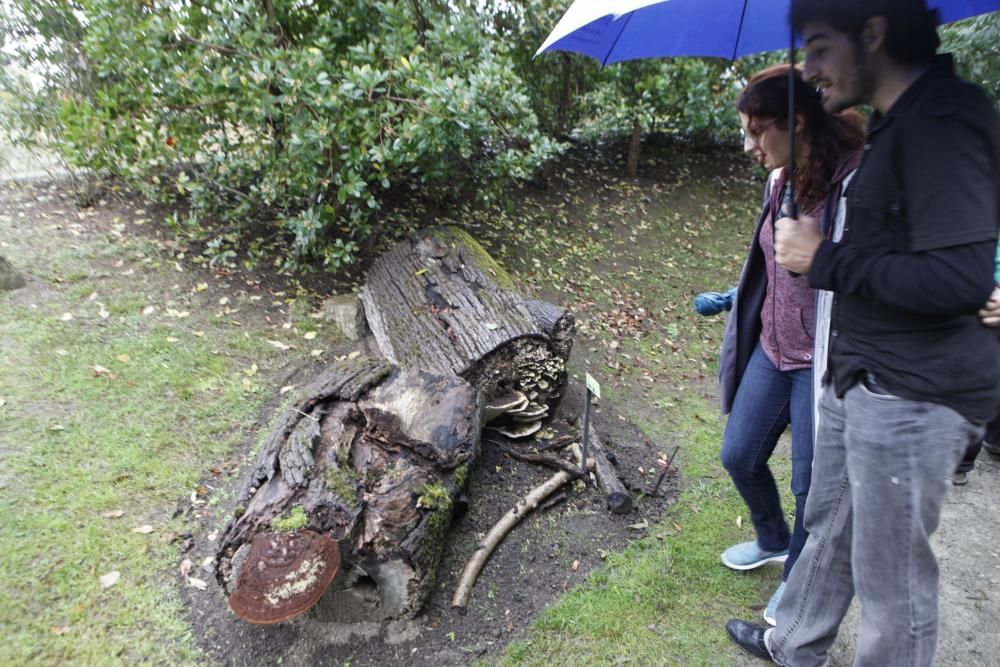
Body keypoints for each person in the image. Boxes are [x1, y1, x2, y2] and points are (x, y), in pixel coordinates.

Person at [725, 0, 1000, 665]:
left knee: (892, 591)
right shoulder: (896, 126)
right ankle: (794, 642)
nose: (811, 69)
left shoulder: (941, 120)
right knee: (827, 526)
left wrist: (823, 258)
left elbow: (960, 279)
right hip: (864, 379)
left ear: (872, 34)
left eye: (819, 47)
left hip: (912, 395)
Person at [716, 64, 864, 626]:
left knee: (812, 486)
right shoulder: (778, 180)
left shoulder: (852, 183)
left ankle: (799, 582)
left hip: (822, 362)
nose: (749, 144)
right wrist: (736, 295)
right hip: (773, 350)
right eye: (746, 131)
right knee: (738, 454)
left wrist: (821, 251)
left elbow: (871, 276)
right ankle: (772, 538)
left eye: (758, 130)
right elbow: (773, 266)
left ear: (797, 122)